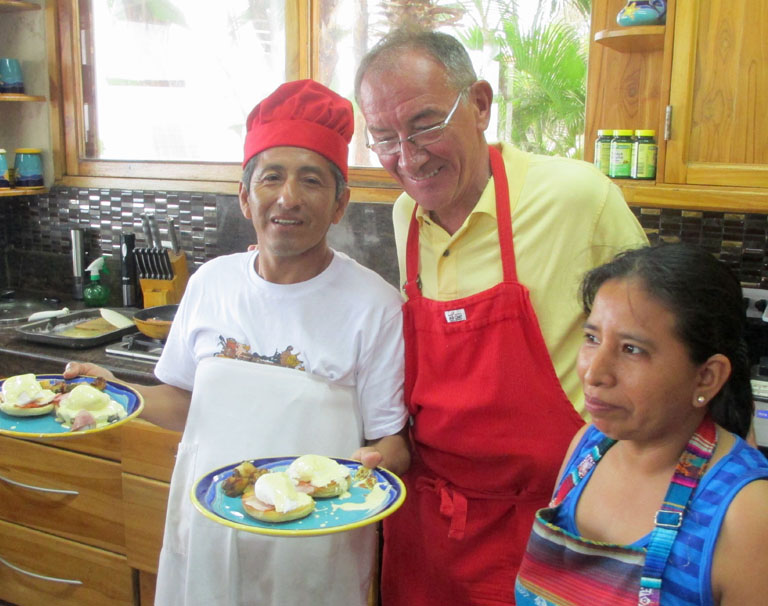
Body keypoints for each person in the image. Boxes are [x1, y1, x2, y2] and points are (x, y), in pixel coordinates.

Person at [65, 79, 410, 606]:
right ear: (245, 198)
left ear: (340, 204)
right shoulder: (211, 282)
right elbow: (182, 399)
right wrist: (116, 395)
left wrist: (377, 465)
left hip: (313, 548)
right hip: (207, 530)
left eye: (312, 180)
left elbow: (392, 443)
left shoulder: (375, 304)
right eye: (271, 177)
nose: (288, 198)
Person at [353, 28, 649, 605]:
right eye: (384, 138)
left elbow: (656, 337)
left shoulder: (575, 197)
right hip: (431, 527)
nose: (407, 158)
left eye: (425, 126)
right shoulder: (404, 216)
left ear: (482, 105)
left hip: (552, 523)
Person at [515, 243, 768, 605]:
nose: (593, 373)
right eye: (592, 338)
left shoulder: (748, 514)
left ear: (707, 378)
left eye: (632, 349)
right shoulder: (586, 448)